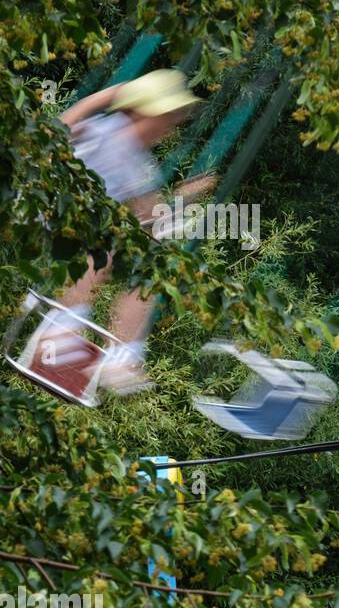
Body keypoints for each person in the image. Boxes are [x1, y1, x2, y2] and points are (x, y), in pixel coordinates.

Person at [29, 69, 212, 394]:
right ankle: (60, 329)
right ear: (144, 111)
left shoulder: (141, 164)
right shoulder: (105, 130)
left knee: (152, 267)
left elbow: (151, 224)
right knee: (100, 241)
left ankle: (122, 354)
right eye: (168, 115)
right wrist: (109, 94)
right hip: (46, 218)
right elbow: (54, 133)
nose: (172, 124)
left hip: (80, 235)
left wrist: (182, 202)